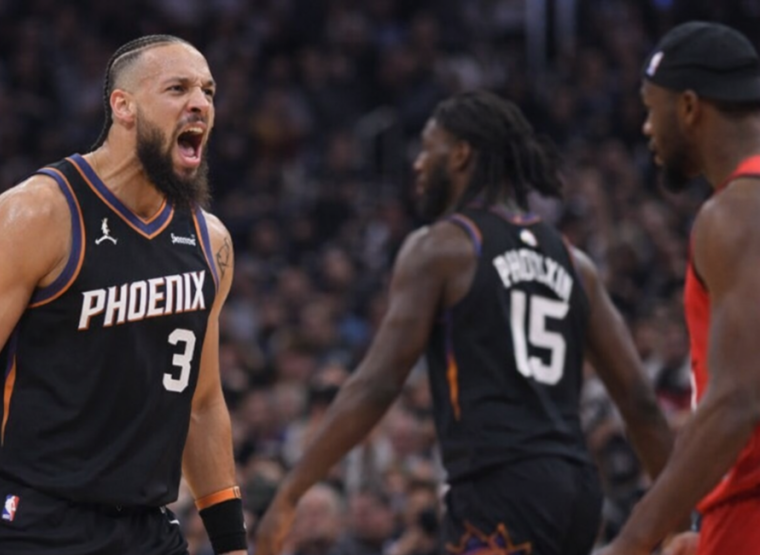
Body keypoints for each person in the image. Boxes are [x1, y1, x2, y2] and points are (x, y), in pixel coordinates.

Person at [254, 91, 674, 555]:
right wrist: (679, 518)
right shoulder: (576, 264)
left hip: (500, 489)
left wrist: (292, 490)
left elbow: (376, 384)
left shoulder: (444, 248)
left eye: (427, 148)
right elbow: (640, 403)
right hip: (575, 490)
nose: (416, 165)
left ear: (460, 154)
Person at [0, 35, 247, 555]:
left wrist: (231, 545)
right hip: (28, 519)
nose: (200, 102)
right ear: (123, 106)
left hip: (143, 527)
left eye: (208, 90)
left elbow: (201, 404)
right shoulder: (38, 214)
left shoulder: (211, 242)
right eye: (178, 88)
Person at [602, 21, 760, 555]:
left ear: (689, 107)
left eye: (652, 109)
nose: (647, 127)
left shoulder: (737, 210)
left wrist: (631, 540)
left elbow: (736, 403)